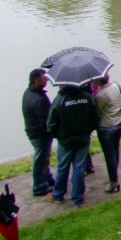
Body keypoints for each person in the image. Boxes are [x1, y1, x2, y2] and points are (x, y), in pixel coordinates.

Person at [47, 82, 101, 207]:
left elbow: (51, 124)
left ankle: (58, 195)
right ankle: (77, 198)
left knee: (63, 167)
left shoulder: (59, 100)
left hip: (65, 141)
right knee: (79, 168)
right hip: (82, 139)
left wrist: (58, 135)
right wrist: (88, 130)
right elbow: (96, 118)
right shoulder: (86, 97)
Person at [22, 68, 55, 197]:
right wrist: (53, 131)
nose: (47, 80)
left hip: (33, 132)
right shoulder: (38, 99)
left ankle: (47, 181)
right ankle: (39, 187)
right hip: (40, 134)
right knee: (41, 159)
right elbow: (45, 122)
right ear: (37, 81)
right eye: (44, 78)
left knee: (43, 158)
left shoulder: (28, 92)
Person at [94, 73, 121, 194]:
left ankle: (114, 181)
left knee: (109, 154)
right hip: (118, 123)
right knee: (115, 150)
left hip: (106, 127)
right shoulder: (115, 86)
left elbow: (97, 111)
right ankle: (114, 173)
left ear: (98, 82)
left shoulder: (100, 95)